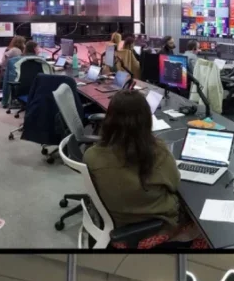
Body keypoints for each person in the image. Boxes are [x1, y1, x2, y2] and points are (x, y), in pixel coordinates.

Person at [84, 90, 202, 243]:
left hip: (116, 220)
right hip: (155, 223)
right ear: (146, 120)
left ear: (109, 118)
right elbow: (174, 184)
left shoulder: (91, 156)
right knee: (201, 222)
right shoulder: (157, 152)